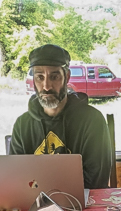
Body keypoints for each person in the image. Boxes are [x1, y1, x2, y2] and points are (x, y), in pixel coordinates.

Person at [9, 44, 113, 189]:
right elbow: (16, 177)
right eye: (39, 77)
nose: (46, 86)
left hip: (83, 206)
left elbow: (96, 181)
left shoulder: (92, 120)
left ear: (67, 77)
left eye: (54, 76)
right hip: (35, 204)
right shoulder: (22, 124)